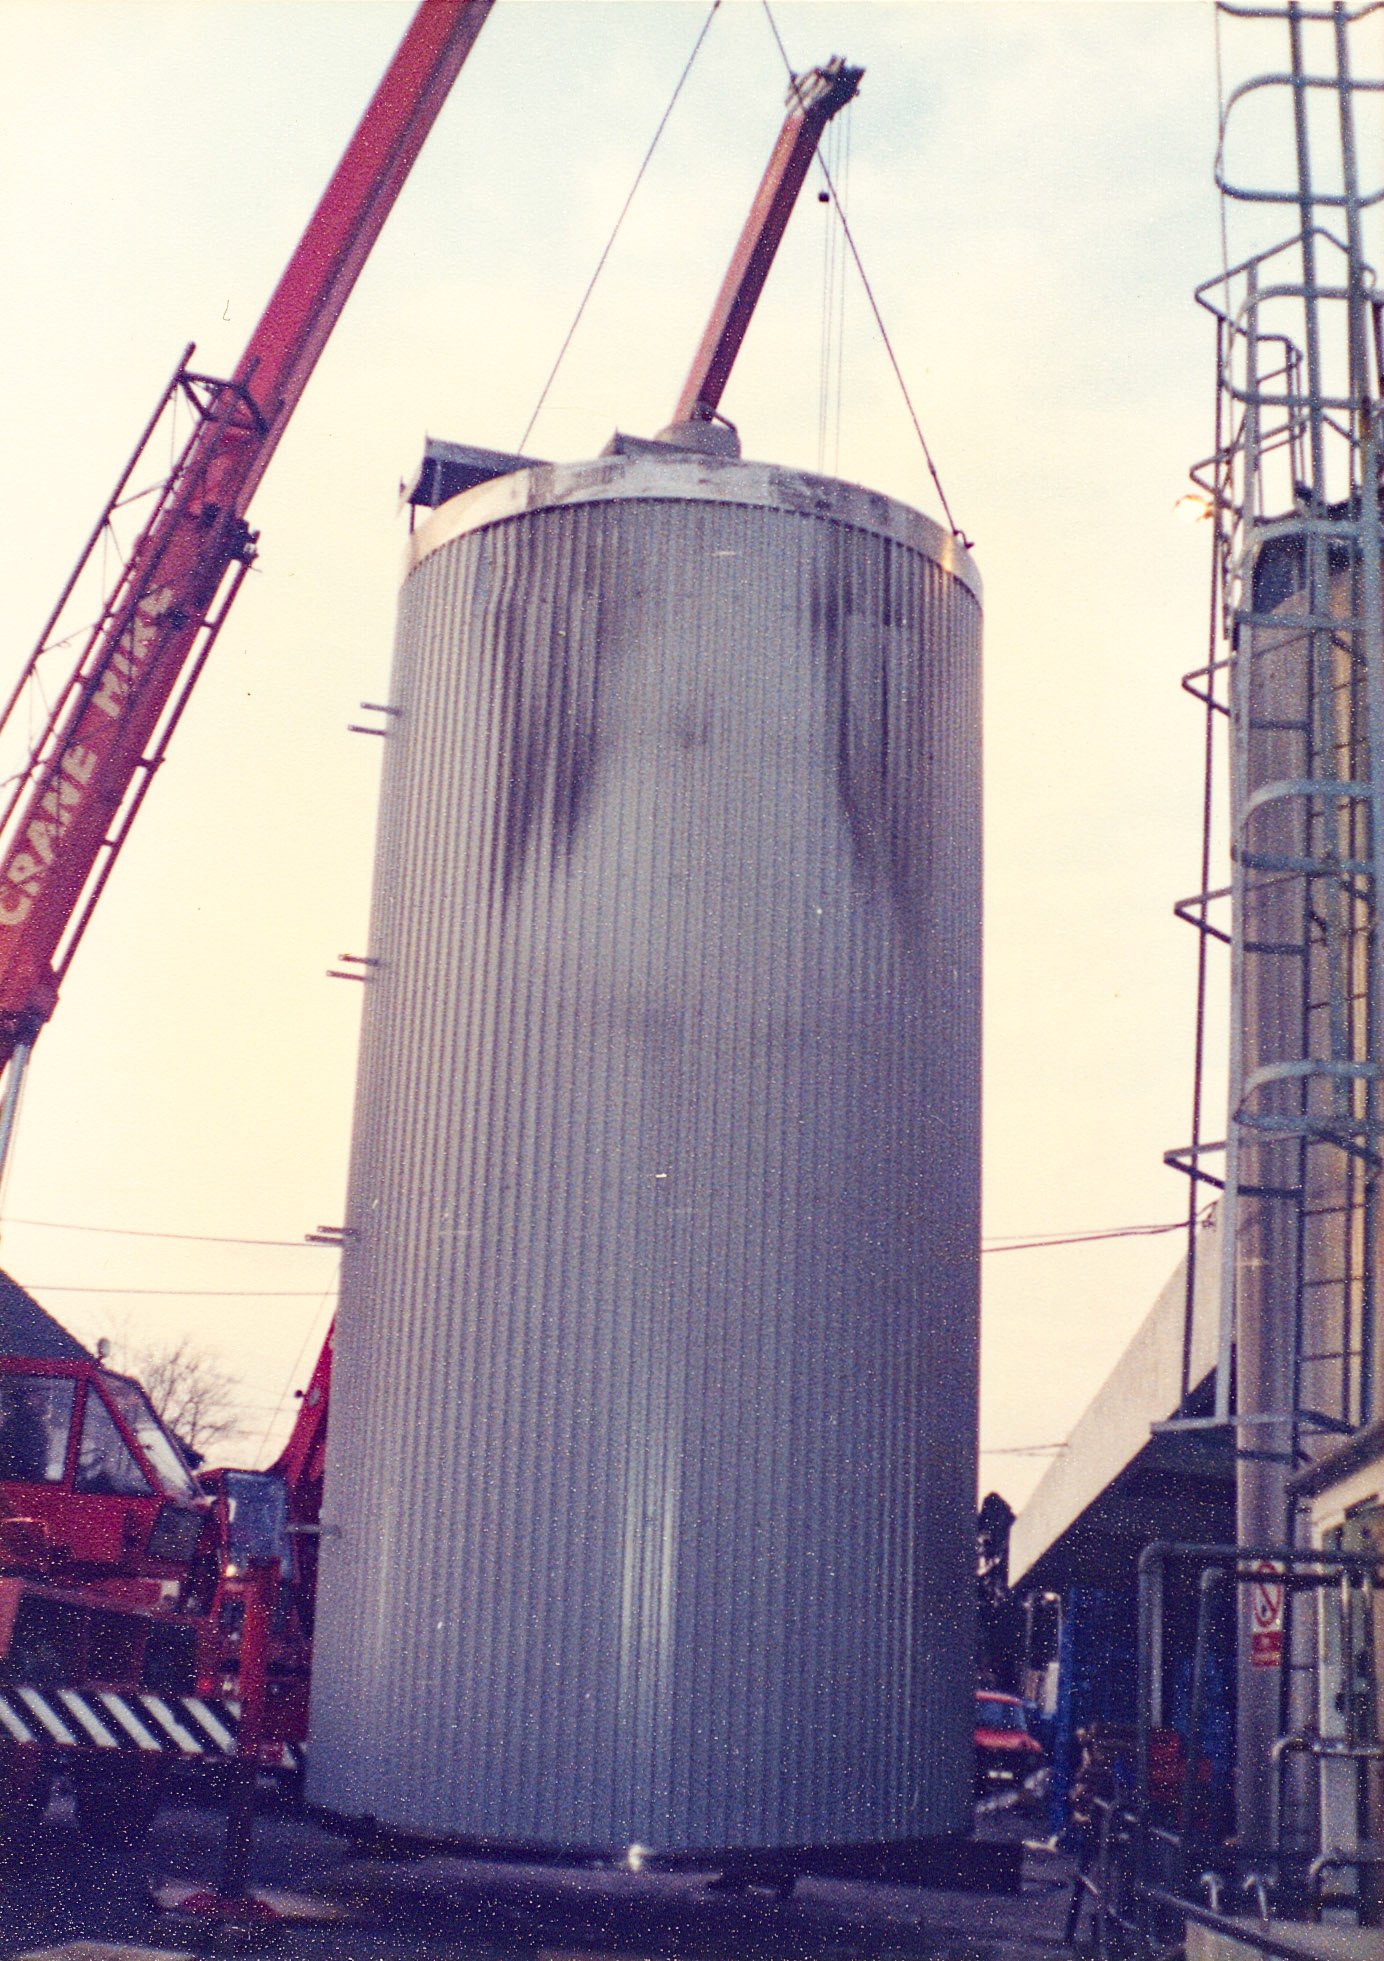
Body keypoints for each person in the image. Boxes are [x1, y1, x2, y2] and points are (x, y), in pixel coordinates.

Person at [0, 1382, 51, 1482]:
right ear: (24, 1400)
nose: (42, 1401)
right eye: (37, 1397)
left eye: (43, 1397)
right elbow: (27, 1464)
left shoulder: (35, 1425)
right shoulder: (20, 1427)